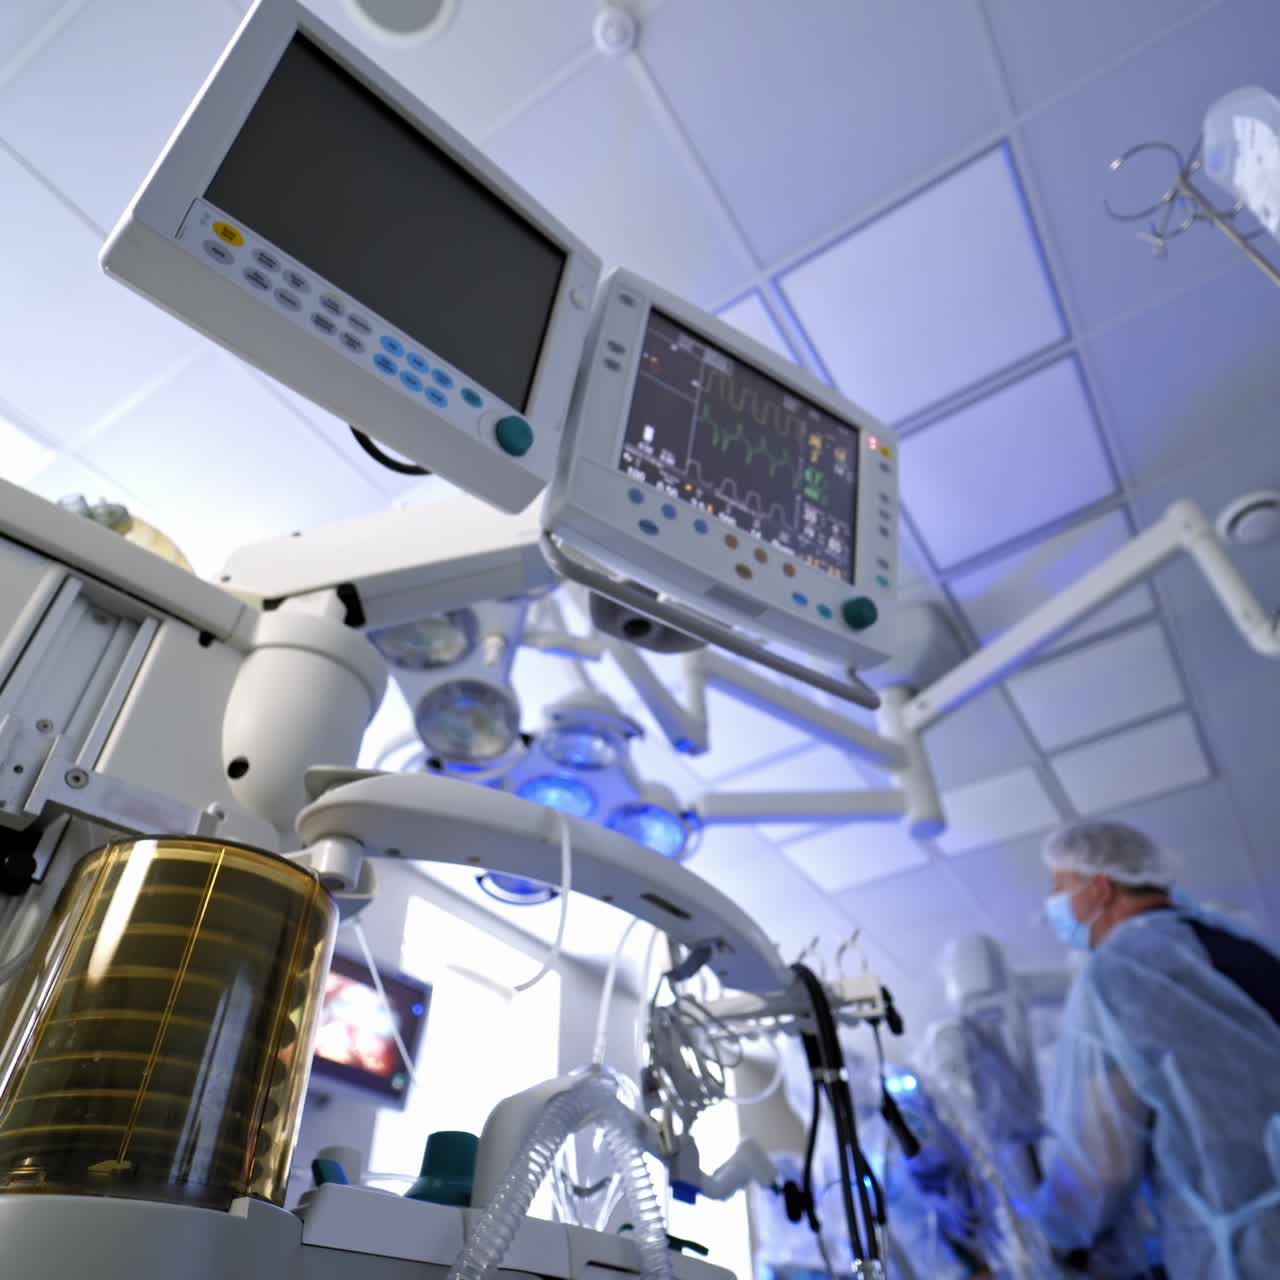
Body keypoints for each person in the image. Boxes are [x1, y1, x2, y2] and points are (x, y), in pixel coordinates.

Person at [1034, 819, 1280, 1279]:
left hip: (1248, 1252)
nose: (1052, 907)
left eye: (1059, 888)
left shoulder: (1119, 972)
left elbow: (1103, 1162)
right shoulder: (1244, 946)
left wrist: (1058, 1236)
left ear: (1100, 888)